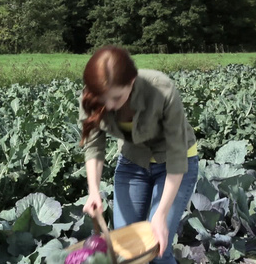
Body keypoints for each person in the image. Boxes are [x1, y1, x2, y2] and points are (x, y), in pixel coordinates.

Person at [79, 46, 199, 264]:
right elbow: (94, 146)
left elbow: (177, 154)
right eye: (103, 99)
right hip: (132, 163)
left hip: (175, 164)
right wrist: (94, 191)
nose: (109, 105)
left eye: (116, 97)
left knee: (157, 250)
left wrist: (160, 215)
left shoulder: (161, 89)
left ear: (132, 81)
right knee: (125, 252)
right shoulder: (92, 97)